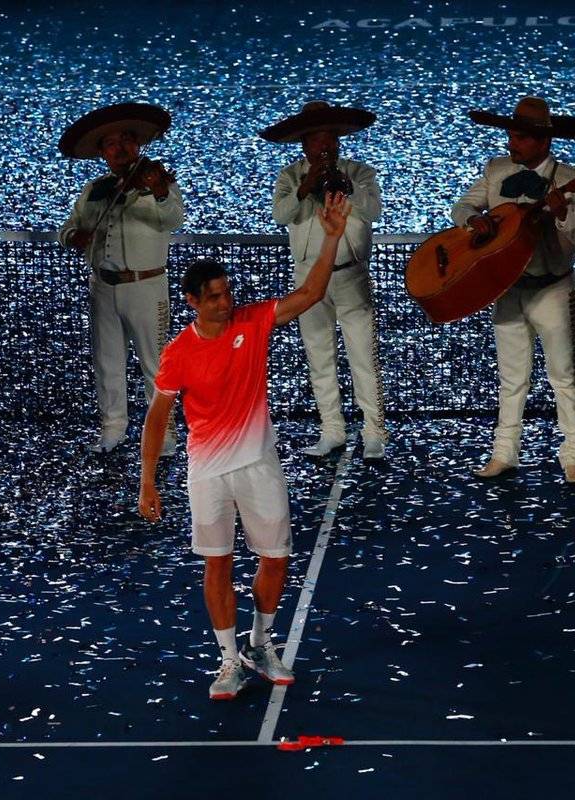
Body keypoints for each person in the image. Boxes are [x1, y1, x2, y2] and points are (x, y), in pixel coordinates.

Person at [138, 194, 351, 700]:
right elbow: (157, 417)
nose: (225, 301)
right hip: (208, 470)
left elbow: (311, 293)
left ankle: (259, 644)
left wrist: (332, 237)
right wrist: (147, 480)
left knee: (275, 558)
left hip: (259, 463)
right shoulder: (178, 353)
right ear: (192, 301)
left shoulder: (253, 322)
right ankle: (228, 659)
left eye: (227, 292)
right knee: (218, 562)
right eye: (214, 296)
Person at [450, 96, 575, 482]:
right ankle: (504, 454)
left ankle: (574, 455)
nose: (510, 143)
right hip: (508, 289)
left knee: (563, 376)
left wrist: (562, 214)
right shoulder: (496, 169)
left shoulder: (572, 182)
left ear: (543, 142)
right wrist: (474, 221)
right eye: (511, 135)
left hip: (553, 290)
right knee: (512, 378)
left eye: (519, 137)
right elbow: (462, 207)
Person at [263, 101, 388, 460]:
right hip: (308, 277)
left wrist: (350, 188)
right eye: (317, 140)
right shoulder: (289, 176)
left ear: (338, 141)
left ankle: (374, 432)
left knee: (363, 356)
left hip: (351, 274)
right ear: (304, 144)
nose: (325, 146)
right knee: (319, 356)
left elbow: (374, 210)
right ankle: (332, 430)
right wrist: (305, 187)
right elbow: (280, 215)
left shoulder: (360, 172)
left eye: (330, 138)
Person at [58, 103, 185, 454]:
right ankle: (112, 428)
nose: (120, 149)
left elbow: (174, 219)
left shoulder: (157, 181)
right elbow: (67, 229)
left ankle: (164, 434)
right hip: (103, 286)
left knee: (155, 364)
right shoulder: (95, 189)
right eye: (111, 144)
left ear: (137, 144)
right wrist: (74, 237)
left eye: (126, 141)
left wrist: (158, 190)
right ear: (103, 153)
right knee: (107, 362)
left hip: (146, 285)